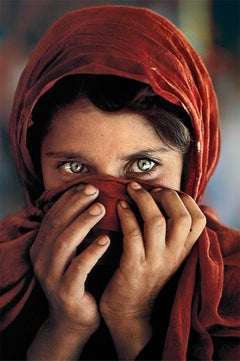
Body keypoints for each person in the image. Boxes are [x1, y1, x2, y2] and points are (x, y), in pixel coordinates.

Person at [0, 5, 239, 361]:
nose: (107, 204)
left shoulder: (230, 291)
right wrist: (64, 327)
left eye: (143, 165)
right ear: (33, 164)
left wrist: (131, 319)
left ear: (192, 167)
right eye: (75, 167)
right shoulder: (7, 279)